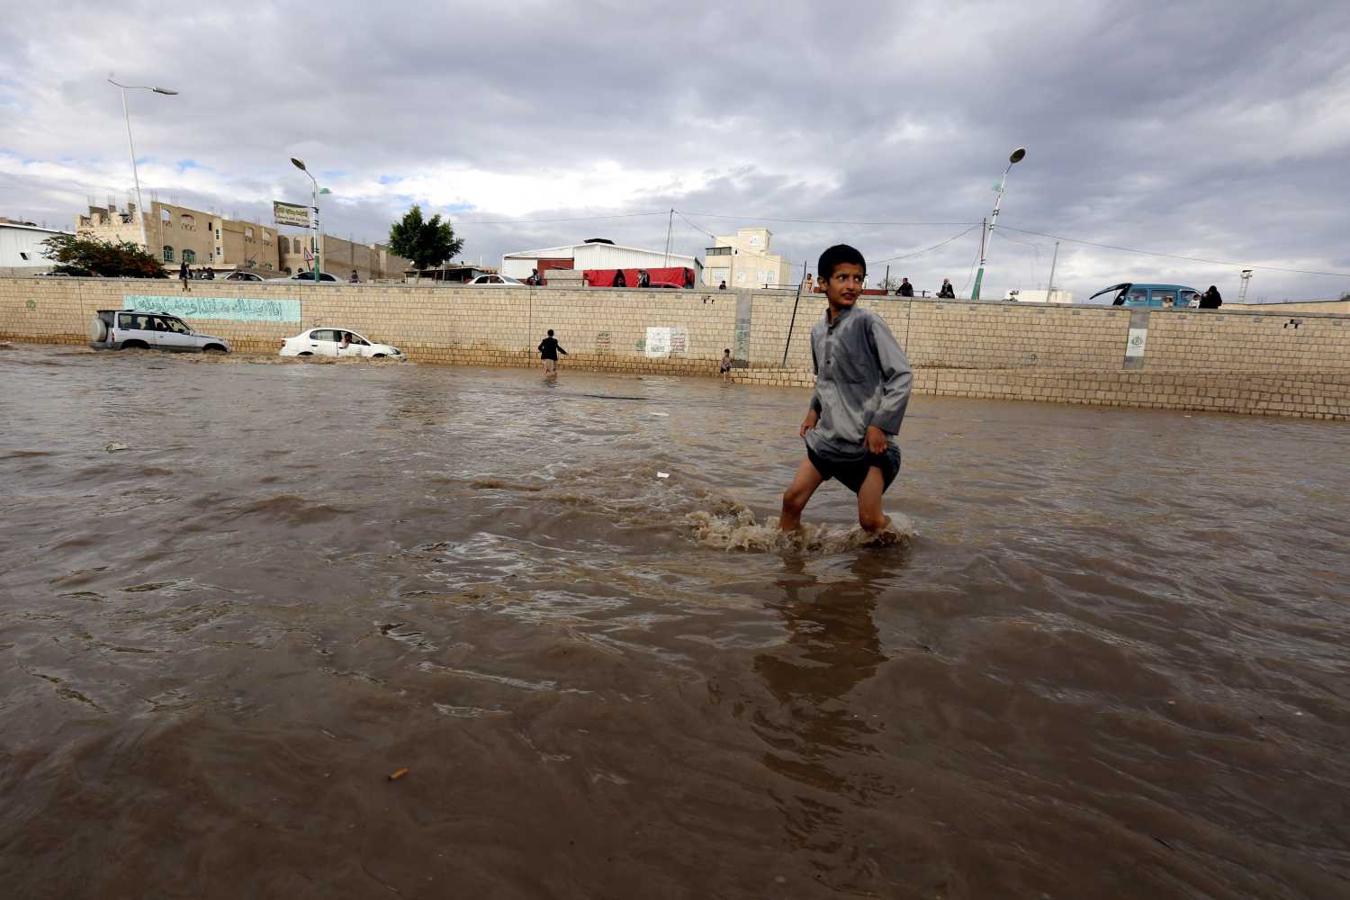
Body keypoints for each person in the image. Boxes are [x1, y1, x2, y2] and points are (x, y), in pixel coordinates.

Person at [781, 244, 913, 534]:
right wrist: (812, 412)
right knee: (791, 500)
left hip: (869, 444)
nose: (852, 286)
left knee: (870, 522)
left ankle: (901, 540)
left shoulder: (868, 323)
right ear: (823, 284)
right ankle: (787, 564)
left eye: (858, 278)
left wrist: (880, 425)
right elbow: (825, 379)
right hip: (828, 440)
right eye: (843, 278)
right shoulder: (817, 332)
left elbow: (901, 375)